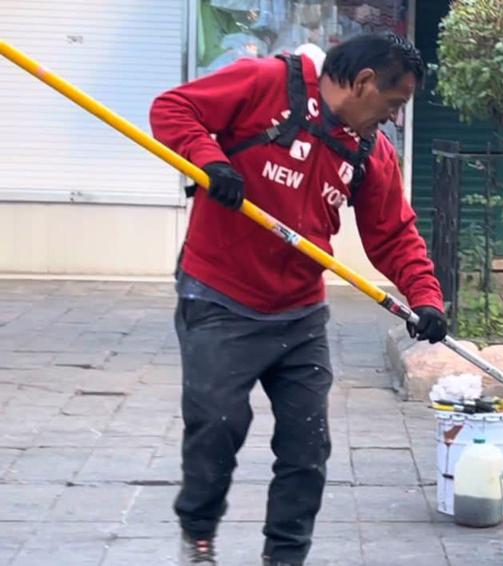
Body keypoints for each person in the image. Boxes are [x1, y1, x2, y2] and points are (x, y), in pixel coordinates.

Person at [150, 32, 447, 566]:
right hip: (219, 296)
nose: (392, 119)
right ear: (363, 83)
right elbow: (173, 109)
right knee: (217, 425)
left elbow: (393, 233)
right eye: (393, 104)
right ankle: (198, 533)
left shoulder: (367, 149)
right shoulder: (266, 83)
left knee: (307, 449)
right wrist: (210, 160)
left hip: (300, 314)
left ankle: (284, 557)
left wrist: (425, 298)